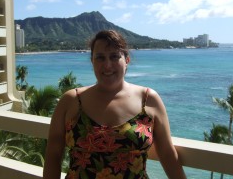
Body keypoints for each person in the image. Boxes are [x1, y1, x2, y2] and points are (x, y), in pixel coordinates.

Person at [43, 30, 187, 179]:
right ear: (92, 60)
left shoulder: (148, 99)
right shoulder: (71, 100)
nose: (107, 65)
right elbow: (53, 155)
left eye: (114, 56)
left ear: (127, 60)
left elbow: (167, 154)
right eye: (100, 57)